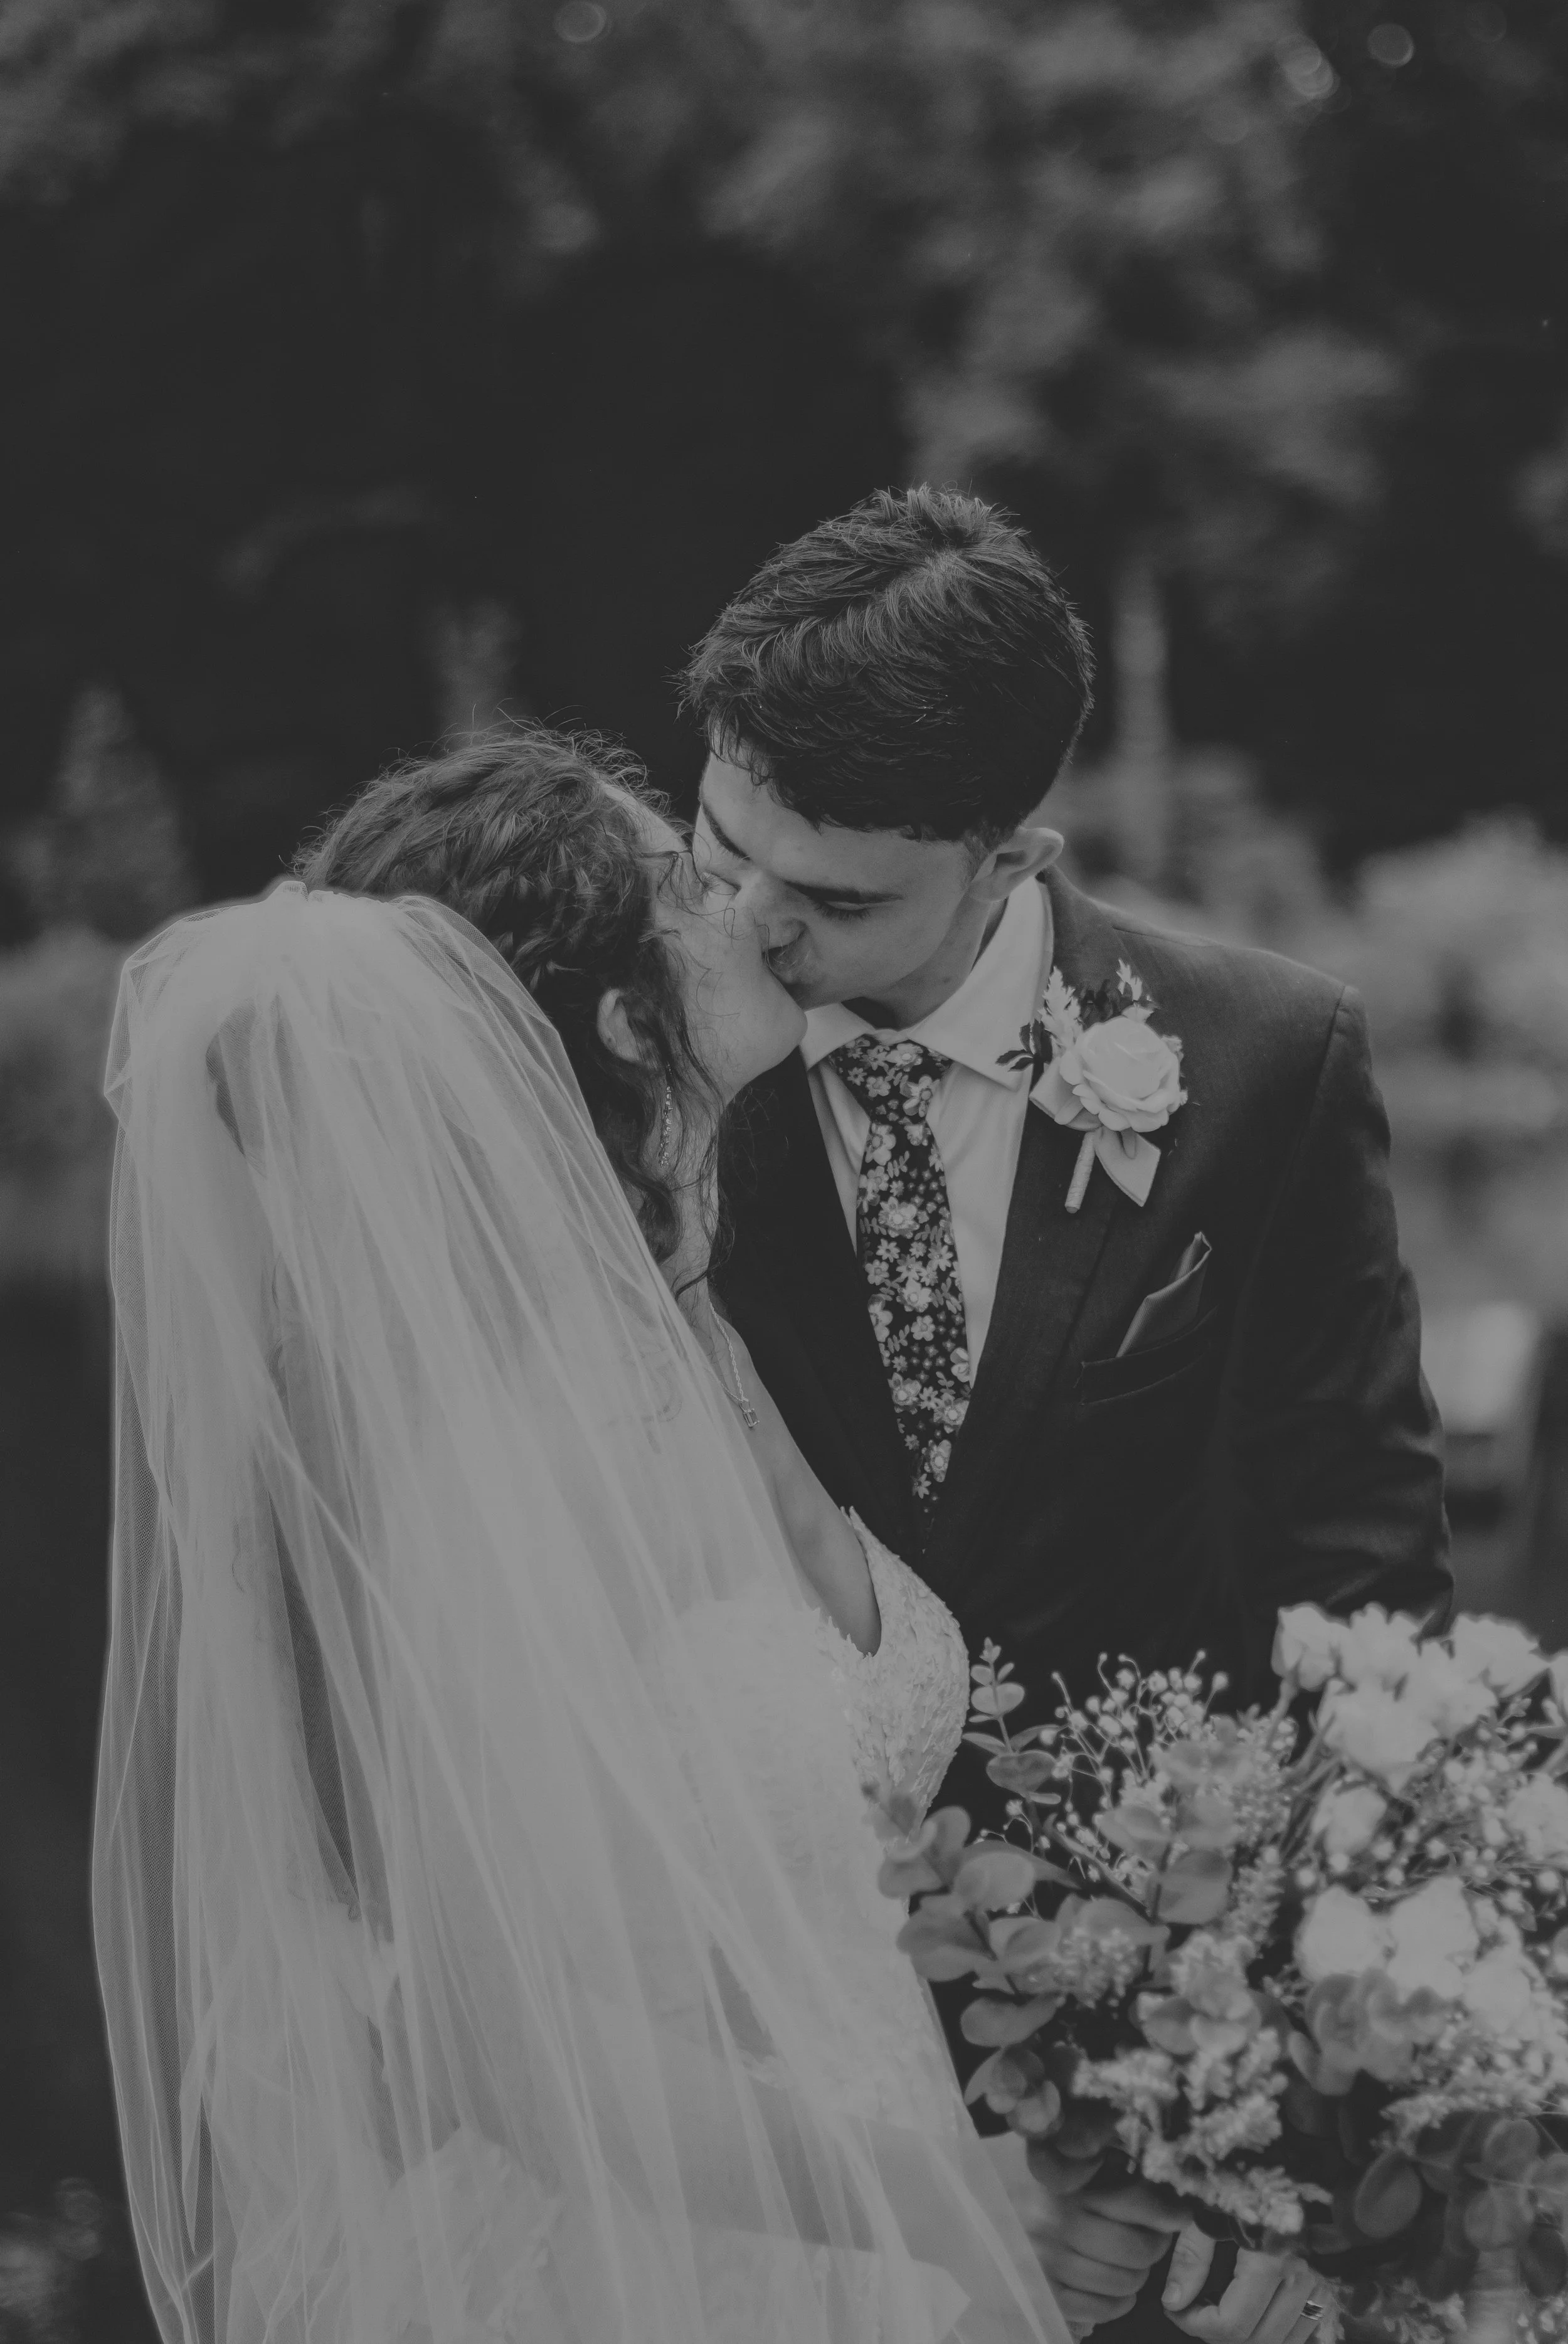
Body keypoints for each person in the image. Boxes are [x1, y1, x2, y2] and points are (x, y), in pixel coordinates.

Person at [92, 727, 1072, 2343]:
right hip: (669, 2267)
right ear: (628, 1021)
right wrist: (937, 2204)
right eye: (692, 880)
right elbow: (496, 2044)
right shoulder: (503, 1440)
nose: (751, 900)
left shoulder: (672, 1326)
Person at [697, 487, 1454, 2344]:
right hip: (766, 2086)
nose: (747, 928)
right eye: (722, 852)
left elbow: (1359, 1598)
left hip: (1151, 2111)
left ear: (1012, 846)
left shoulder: (1264, 1062)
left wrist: (1290, 2113)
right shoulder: (641, 1063)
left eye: (835, 899)